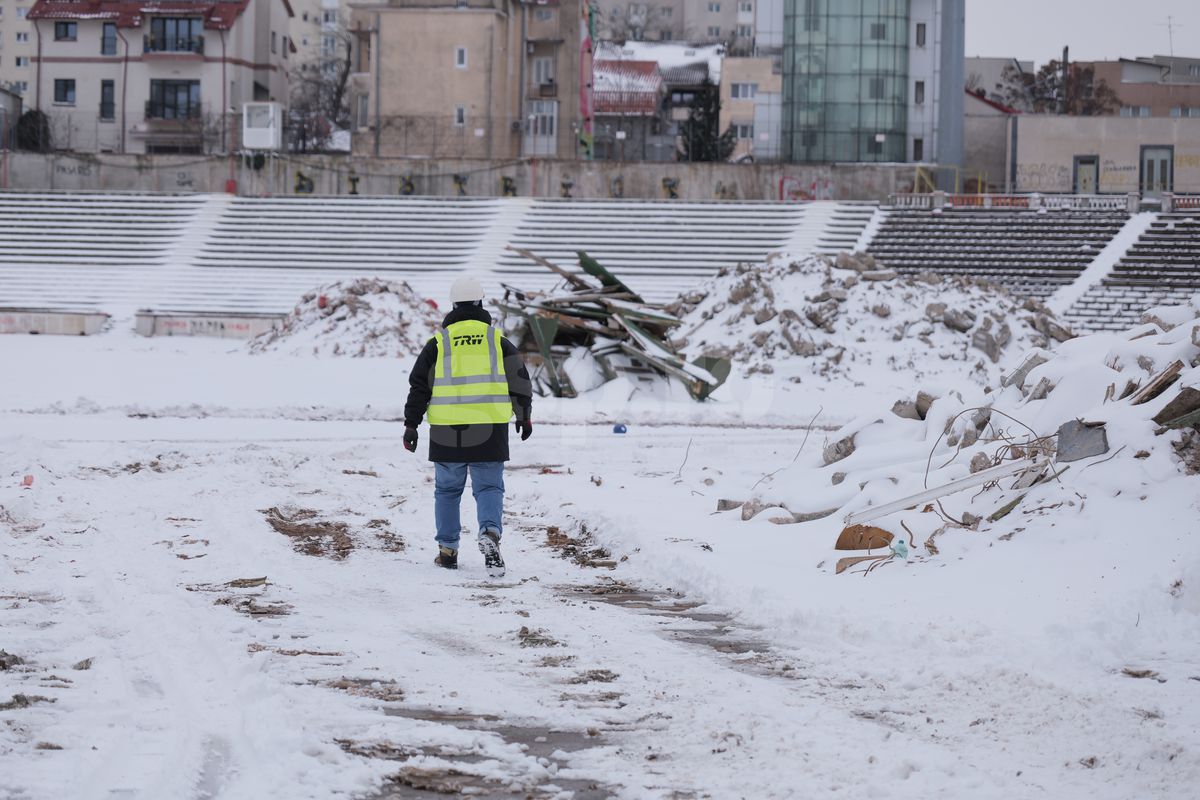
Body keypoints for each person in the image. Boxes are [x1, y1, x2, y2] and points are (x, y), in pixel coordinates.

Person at [402, 276, 533, 577]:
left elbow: (419, 386)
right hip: (489, 428)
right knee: (489, 487)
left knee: (447, 491)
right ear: (480, 303)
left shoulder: (439, 343)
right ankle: (490, 533)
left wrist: (411, 424)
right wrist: (523, 415)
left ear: (453, 306)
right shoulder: (496, 341)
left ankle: (448, 551)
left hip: (447, 431)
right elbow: (520, 381)